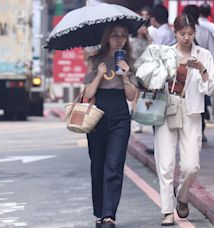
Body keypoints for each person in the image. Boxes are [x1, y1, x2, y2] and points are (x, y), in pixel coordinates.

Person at [154, 14, 214, 226]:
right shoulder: (166, 53)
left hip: (191, 112)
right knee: (165, 163)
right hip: (167, 110)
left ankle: (181, 195)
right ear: (175, 32)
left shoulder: (204, 55)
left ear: (195, 34)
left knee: (191, 166)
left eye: (190, 34)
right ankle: (166, 210)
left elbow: (210, 89)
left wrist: (202, 69)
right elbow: (152, 82)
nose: (186, 38)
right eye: (182, 34)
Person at [83, 22, 138, 225]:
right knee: (98, 165)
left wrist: (126, 75)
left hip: (120, 113)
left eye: (123, 35)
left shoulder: (129, 61)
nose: (119, 39)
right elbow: (88, 93)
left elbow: (132, 96)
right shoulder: (95, 59)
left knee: (114, 165)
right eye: (114, 35)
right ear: (107, 37)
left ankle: (109, 214)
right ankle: (100, 210)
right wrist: (98, 73)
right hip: (98, 113)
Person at [183, 4, 214, 142]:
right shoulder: (205, 32)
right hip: (201, 74)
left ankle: (190, 130)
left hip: (184, 73)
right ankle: (199, 129)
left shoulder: (179, 32)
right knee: (201, 103)